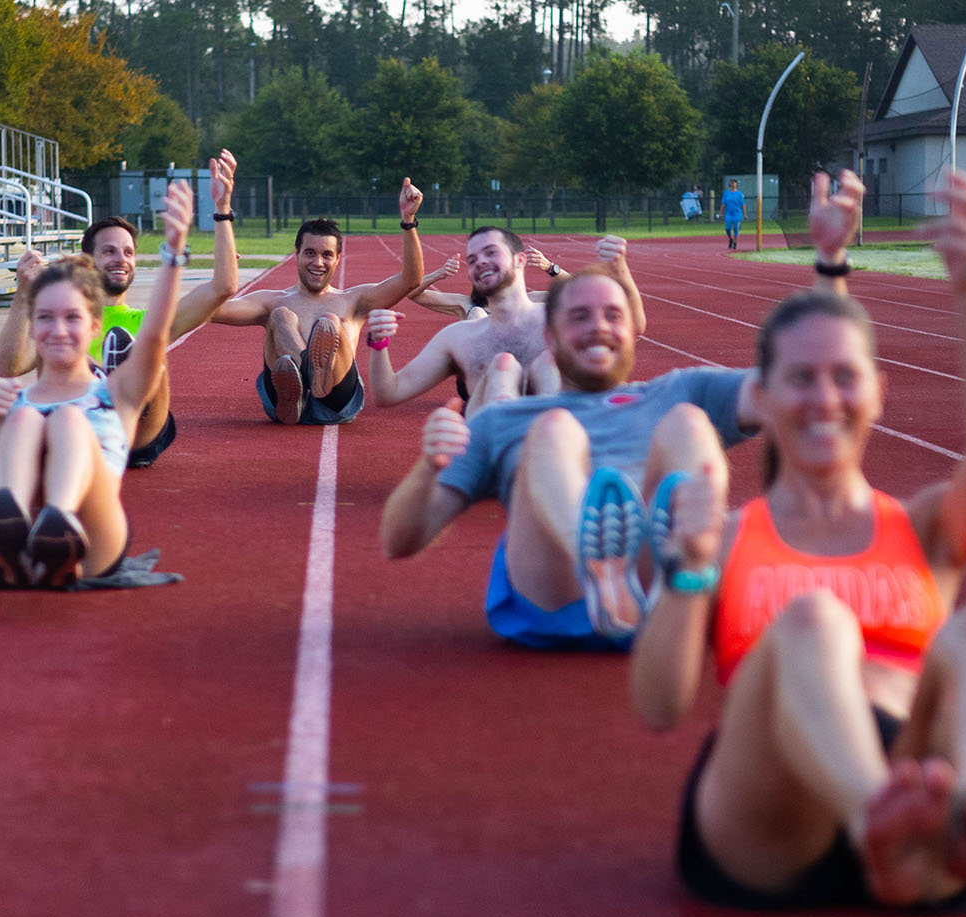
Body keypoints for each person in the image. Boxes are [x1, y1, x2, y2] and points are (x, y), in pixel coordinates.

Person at [627, 169, 966, 911]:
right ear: (760, 396)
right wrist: (687, 571)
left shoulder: (921, 528)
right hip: (771, 816)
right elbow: (660, 707)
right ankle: (873, 820)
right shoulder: (725, 537)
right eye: (801, 380)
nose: (825, 397)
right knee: (815, 619)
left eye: (845, 378)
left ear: (879, 392)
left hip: (917, 782)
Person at [376, 174, 867, 653]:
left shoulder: (676, 391)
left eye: (612, 315)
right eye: (579, 317)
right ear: (550, 335)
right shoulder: (502, 421)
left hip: (662, 593)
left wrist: (829, 263)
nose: (598, 328)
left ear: (630, 329)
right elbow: (400, 541)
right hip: (555, 591)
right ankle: (595, 559)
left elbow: (800, 383)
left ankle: (684, 563)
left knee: (687, 424)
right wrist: (428, 466)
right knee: (554, 431)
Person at [0, 178, 194, 588]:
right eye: (44, 317)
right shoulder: (14, 398)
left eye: (72, 318)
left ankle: (59, 525)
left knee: (66, 419)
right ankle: (7, 525)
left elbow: (153, 337)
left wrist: (173, 253)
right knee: (24, 417)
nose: (57, 330)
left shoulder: (117, 394)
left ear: (95, 325)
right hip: (18, 542)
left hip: (94, 545)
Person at [0, 150, 239, 469]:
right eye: (108, 251)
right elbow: (8, 367)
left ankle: (114, 382)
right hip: (76, 429)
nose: (121, 258)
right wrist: (24, 294)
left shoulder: (148, 320)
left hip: (138, 432)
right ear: (88, 259)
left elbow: (223, 288)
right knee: (61, 354)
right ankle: (94, 386)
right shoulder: (64, 322)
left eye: (128, 252)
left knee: (152, 353)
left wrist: (222, 208)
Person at [209, 179, 425, 425]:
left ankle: (316, 377)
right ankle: (301, 385)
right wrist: (223, 281)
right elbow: (213, 312)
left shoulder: (354, 300)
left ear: (338, 258)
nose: (318, 263)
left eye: (327, 255)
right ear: (297, 254)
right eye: (310, 253)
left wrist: (408, 220)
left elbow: (411, 280)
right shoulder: (271, 300)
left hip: (336, 400)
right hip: (282, 403)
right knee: (281, 315)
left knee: (330, 322)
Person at [365, 229, 647, 416]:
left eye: (490, 252)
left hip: (560, 445)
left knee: (545, 366)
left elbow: (633, 324)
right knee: (503, 368)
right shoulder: (459, 336)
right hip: (499, 457)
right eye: (472, 259)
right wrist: (379, 343)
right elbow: (388, 393)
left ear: (521, 260)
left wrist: (620, 269)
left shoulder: (556, 314)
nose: (480, 263)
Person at [407, 246, 565, 320]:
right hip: (479, 373)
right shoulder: (465, 304)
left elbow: (581, 291)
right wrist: (438, 274)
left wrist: (550, 267)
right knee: (477, 313)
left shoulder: (528, 300)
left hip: (513, 371)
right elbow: (414, 294)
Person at [721, 178, 747, 250]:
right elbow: (723, 203)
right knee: (727, 229)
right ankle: (731, 239)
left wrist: (744, 214)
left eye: (734, 183)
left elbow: (743, 205)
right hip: (729, 213)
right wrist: (721, 212)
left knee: (736, 228)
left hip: (737, 213)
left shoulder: (739, 194)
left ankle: (735, 242)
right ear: (730, 184)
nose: (733, 184)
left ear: (736, 184)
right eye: (732, 182)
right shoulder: (726, 193)